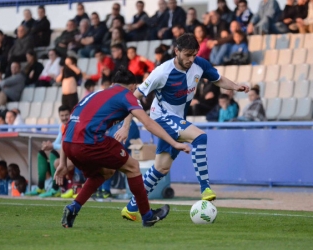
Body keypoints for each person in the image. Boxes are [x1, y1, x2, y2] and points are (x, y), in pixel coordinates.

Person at [117, 33, 249, 221]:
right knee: (200, 137)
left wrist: (236, 86)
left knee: (160, 168)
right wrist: (125, 125)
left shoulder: (199, 64)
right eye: (187, 55)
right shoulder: (162, 72)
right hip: (161, 118)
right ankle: (205, 188)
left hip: (177, 118)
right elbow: (133, 97)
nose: (191, 59)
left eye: (194, 54)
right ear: (176, 51)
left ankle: (130, 208)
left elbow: (218, 79)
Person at [54, 67, 191, 228]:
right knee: (133, 167)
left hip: (69, 145)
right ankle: (147, 216)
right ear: (133, 87)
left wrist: (63, 163)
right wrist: (174, 143)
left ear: (113, 83)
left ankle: (73, 208)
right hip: (90, 142)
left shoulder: (93, 95)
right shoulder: (126, 95)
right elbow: (147, 122)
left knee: (105, 172)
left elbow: (68, 128)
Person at [26, 105, 71, 198]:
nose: (64, 118)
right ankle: (40, 186)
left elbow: (68, 144)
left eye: (67, 115)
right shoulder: (62, 126)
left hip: (72, 154)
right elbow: (58, 142)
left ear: (71, 115)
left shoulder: (72, 126)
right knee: (41, 153)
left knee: (53, 154)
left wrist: (52, 146)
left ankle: (55, 188)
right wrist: (48, 145)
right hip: (65, 153)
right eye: (62, 115)